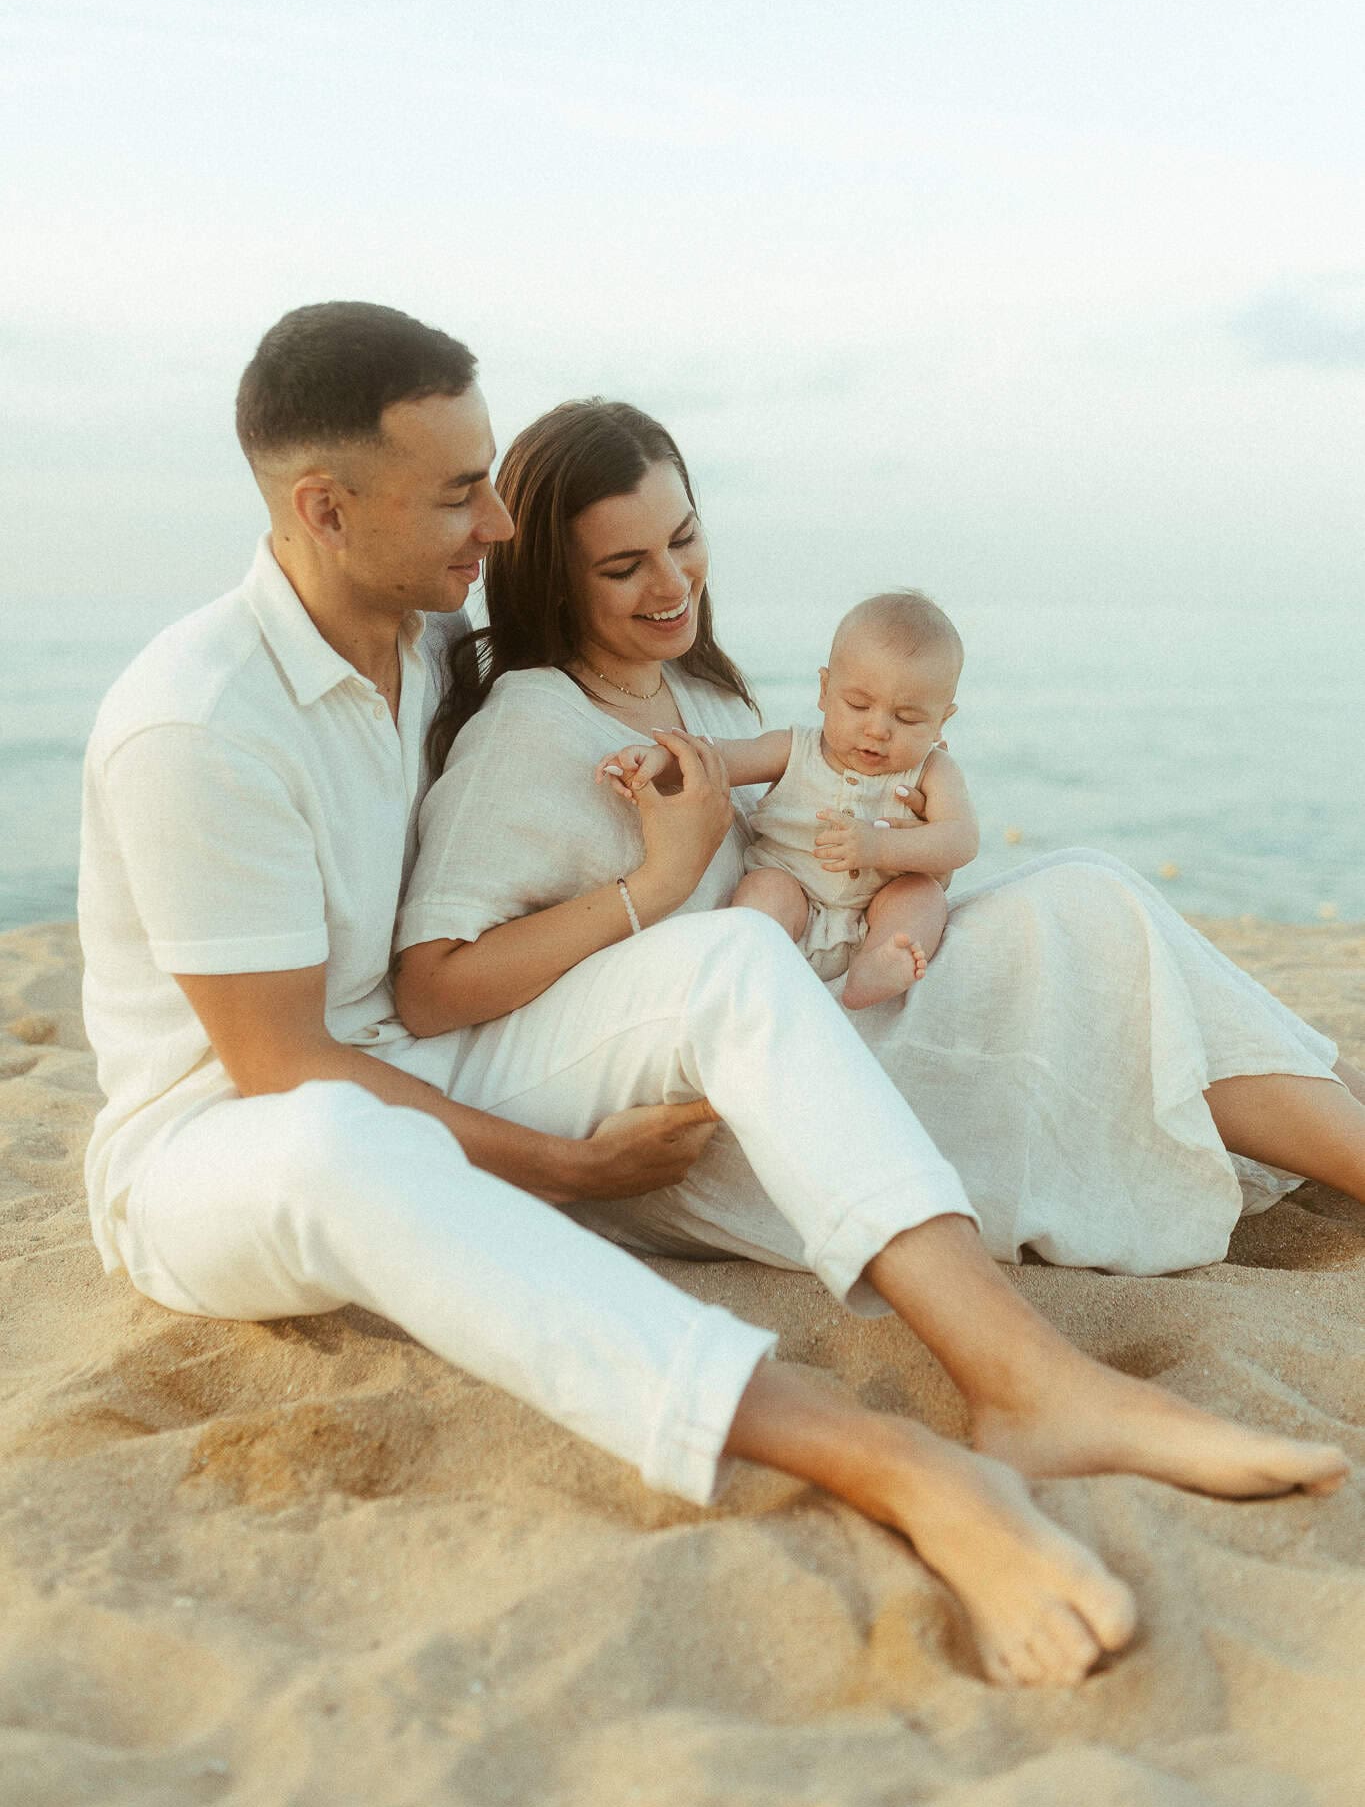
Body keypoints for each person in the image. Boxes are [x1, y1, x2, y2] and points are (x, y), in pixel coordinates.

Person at [75, 307, 1347, 1696]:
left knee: (803, 947)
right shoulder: (200, 723)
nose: (496, 523)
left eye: (494, 479)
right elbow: (283, 1062)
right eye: (458, 492)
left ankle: (1022, 1379)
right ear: (325, 507)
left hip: (448, 1058)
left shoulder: (427, 646)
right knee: (343, 1147)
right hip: (229, 1134)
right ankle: (896, 1465)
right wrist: (561, 1161)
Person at [395, 394, 1365, 1288]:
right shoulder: (531, 728)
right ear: (554, 578)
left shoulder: (697, 689)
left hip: (825, 994)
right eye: (623, 566)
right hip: (726, 1109)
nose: (672, 581)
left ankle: (1341, 1123)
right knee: (1089, 926)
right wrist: (656, 881)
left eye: (683, 538)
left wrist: (891, 847)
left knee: (1086, 895)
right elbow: (432, 989)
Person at [596, 589, 976, 1007]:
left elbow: (961, 839)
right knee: (766, 888)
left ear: (942, 720)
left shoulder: (933, 770)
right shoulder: (795, 749)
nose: (878, 730)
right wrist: (661, 759)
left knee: (922, 896)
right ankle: (756, 964)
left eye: (906, 718)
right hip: (795, 896)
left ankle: (877, 965)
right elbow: (721, 758)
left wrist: (880, 846)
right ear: (825, 690)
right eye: (858, 705)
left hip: (876, 915)